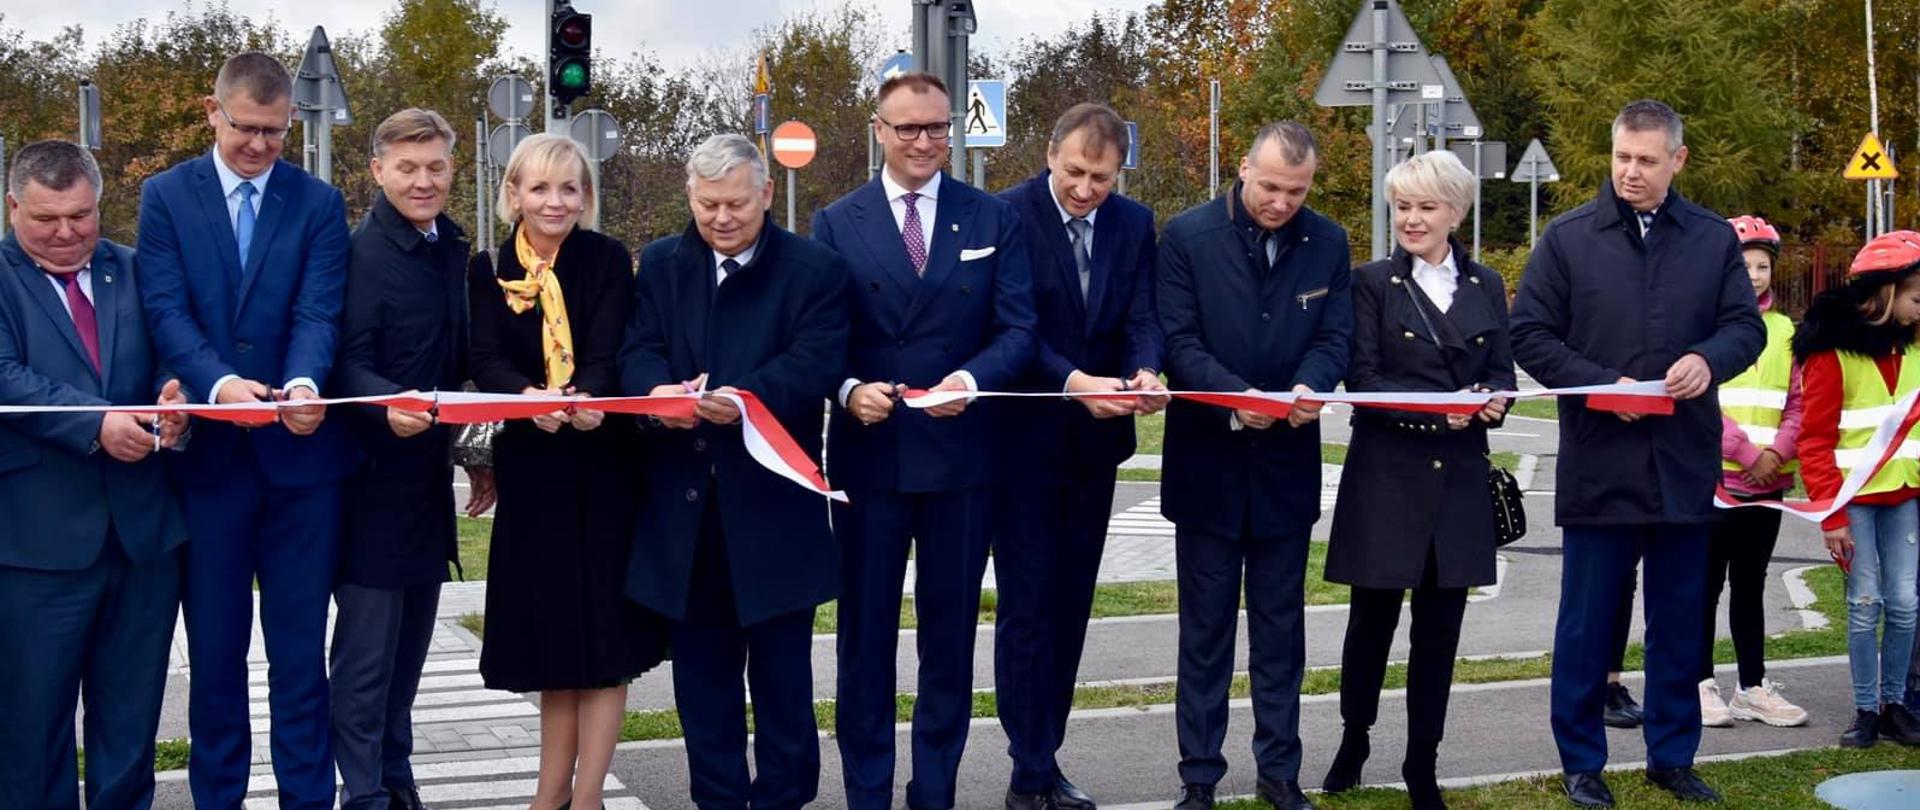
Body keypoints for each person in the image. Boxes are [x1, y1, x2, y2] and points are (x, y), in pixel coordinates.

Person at [1509, 99, 1764, 808]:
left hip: (1683, 463)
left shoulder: (1711, 240)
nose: (1630, 172)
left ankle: (1672, 757)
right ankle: (1582, 762)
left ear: (1677, 160)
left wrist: (1709, 361)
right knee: (1589, 626)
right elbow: (1527, 334)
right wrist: (1596, 385)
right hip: (1601, 463)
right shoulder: (1569, 238)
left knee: (1681, 623)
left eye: (1647, 160)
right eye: (1622, 156)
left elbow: (1747, 328)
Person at [137, 51, 358, 809]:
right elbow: (165, 311)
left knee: (300, 660)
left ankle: (306, 799)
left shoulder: (319, 202)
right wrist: (220, 386)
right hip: (210, 471)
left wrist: (302, 383)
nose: (260, 146)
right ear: (212, 112)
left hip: (302, 470)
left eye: (274, 131)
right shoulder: (163, 197)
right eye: (245, 130)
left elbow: (318, 309)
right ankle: (218, 799)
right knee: (217, 660)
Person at [811, 71, 1037, 810]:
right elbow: (819, 338)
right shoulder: (836, 221)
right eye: (908, 127)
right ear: (877, 129)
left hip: (962, 462)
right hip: (870, 462)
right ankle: (868, 793)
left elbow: (1019, 329)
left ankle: (933, 791)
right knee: (865, 643)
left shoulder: (990, 217)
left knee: (949, 643)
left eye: (938, 127)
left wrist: (968, 383)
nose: (924, 141)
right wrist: (847, 390)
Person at [621, 132, 850, 810]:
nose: (722, 219)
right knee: (703, 683)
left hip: (774, 514)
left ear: (766, 195)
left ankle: (783, 797)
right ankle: (717, 800)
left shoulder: (814, 269)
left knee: (783, 683)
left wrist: (743, 399)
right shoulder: (661, 265)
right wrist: (659, 397)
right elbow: (639, 351)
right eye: (708, 205)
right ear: (690, 196)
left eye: (736, 207)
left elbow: (816, 361)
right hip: (686, 520)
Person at [1156, 121, 1352, 810]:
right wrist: (1238, 402)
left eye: (1296, 191)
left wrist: (1312, 386)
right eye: (1269, 186)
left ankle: (1280, 772)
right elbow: (1177, 341)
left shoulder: (1327, 241)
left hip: (1286, 468)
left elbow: (1336, 336)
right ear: (1243, 168)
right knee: (1204, 633)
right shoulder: (1186, 237)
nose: (1280, 202)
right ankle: (1199, 776)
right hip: (1207, 464)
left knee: (1281, 630)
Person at [468, 132, 664, 810]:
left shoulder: (606, 259)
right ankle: (548, 793)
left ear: (585, 196)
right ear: (513, 194)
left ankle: (588, 798)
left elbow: (611, 351)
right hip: (534, 470)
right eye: (541, 187)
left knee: (603, 640)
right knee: (557, 640)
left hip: (603, 463)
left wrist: (588, 401)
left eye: (569, 188)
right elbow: (486, 358)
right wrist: (527, 402)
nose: (556, 201)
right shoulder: (487, 268)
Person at [0, 140, 189, 810]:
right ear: (12, 205)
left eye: (80, 216)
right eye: (46, 219)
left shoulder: (137, 270)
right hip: (34, 549)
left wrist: (176, 400)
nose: (66, 233)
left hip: (142, 543)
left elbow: (174, 354)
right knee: (29, 732)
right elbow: (7, 377)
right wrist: (97, 422)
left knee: (130, 728)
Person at [1322, 150, 1513, 810]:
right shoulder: (1370, 283)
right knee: (1368, 627)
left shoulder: (1486, 284)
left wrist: (1494, 400)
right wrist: (1446, 416)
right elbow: (1364, 381)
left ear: (1455, 213)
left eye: (1426, 207)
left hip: (1458, 486)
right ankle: (1354, 739)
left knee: (1439, 634)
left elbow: (1506, 374)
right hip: (1387, 480)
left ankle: (1421, 762)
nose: (1411, 218)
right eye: (1402, 206)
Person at [992, 101, 1165, 810]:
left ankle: (1046, 756)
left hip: (1097, 450)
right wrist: (1074, 384)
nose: (1087, 189)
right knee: (1028, 609)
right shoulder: (1006, 215)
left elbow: (1143, 316)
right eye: (1075, 173)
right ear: (1049, 154)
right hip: (1024, 446)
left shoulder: (1134, 224)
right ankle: (1028, 768)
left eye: (1103, 177)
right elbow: (1014, 327)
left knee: (1070, 609)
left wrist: (1147, 370)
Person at [329, 108, 496, 810]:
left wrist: (477, 453)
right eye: (407, 168)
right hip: (368, 488)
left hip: (429, 487)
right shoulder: (357, 253)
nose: (422, 181)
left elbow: (460, 368)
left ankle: (398, 780)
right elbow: (344, 363)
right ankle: (363, 792)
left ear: (453, 169)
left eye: (435, 167)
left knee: (407, 664)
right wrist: (384, 401)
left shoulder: (453, 248)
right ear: (377, 171)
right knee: (366, 664)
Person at [1791, 230, 1920, 750]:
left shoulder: (1914, 346)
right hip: (1853, 501)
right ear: (1885, 293)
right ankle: (1866, 709)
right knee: (1865, 603)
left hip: (1906, 496)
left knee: (1907, 603)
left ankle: (1895, 705)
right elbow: (1815, 440)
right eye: (1915, 296)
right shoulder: (1830, 353)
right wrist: (1831, 517)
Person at [1698, 214, 1809, 730]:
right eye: (1744, 266)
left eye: (1762, 266)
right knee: (1705, 586)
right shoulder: (1705, 325)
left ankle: (1752, 686)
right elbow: (1701, 400)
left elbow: (1799, 403)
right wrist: (1746, 453)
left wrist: (1778, 454)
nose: (1754, 275)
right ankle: (1699, 683)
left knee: (1750, 586)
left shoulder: (1787, 331)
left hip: (1768, 484)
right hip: (1714, 480)